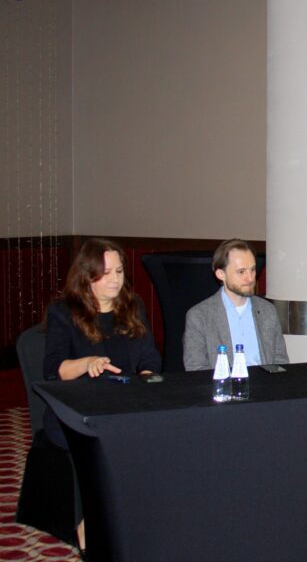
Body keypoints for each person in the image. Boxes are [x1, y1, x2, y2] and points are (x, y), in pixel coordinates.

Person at [43, 238, 162, 560]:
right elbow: (54, 370)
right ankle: (91, 522)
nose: (115, 279)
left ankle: (141, 520)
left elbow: (150, 360)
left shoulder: (133, 306)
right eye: (106, 273)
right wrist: (86, 363)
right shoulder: (64, 312)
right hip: (76, 410)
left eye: (119, 271)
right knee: (110, 443)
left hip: (125, 405)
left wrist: (146, 380)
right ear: (87, 276)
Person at [183, 239, 288, 370]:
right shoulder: (200, 316)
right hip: (222, 383)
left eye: (252, 270)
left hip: (265, 382)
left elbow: (280, 362)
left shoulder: (267, 310)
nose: (250, 278)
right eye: (241, 272)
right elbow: (196, 369)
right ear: (221, 274)